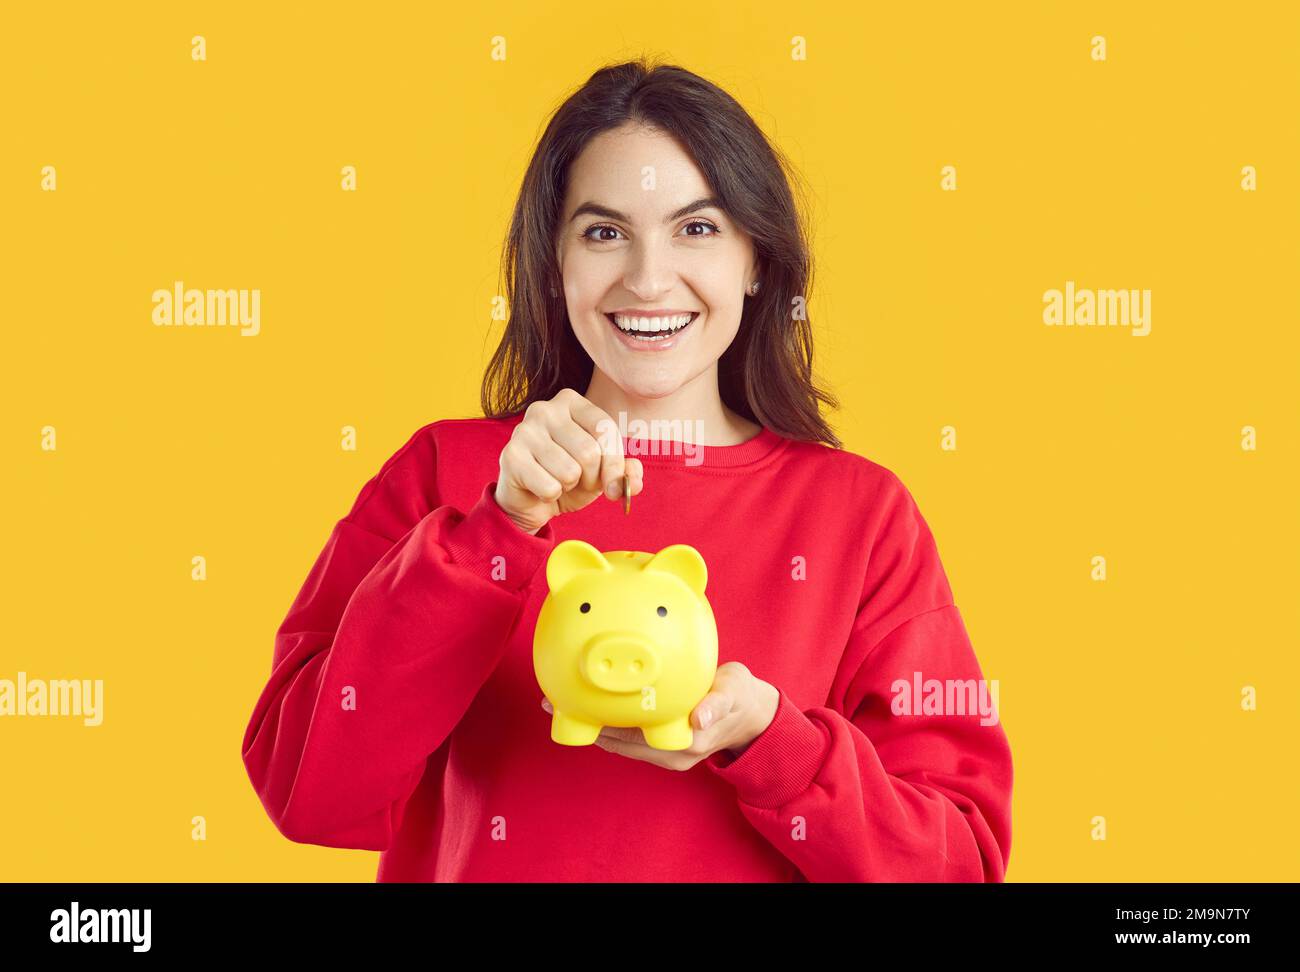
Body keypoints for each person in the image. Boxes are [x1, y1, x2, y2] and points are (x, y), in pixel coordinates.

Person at [240, 57, 1013, 882]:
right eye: (604, 232)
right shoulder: (448, 473)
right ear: (553, 264)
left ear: (757, 260)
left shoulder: (861, 516)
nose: (648, 279)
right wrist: (498, 530)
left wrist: (774, 744)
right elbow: (309, 793)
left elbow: (958, 862)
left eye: (698, 228)